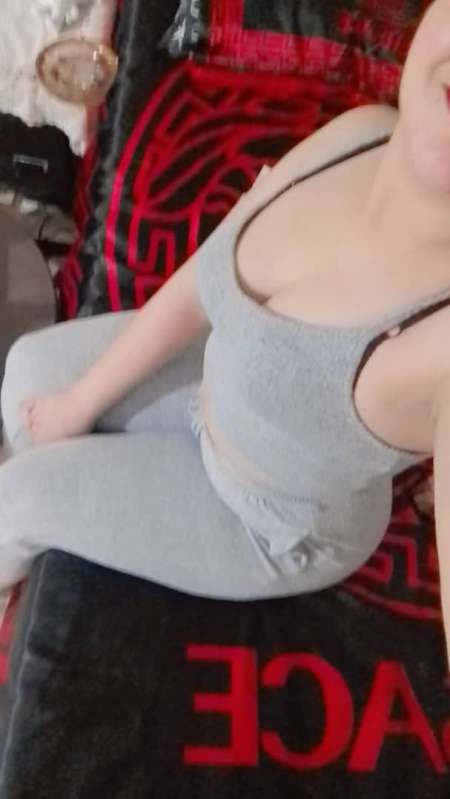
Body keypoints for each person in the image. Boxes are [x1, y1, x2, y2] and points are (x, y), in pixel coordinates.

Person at [1, 0, 450, 673]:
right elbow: (202, 281)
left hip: (264, 516)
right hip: (221, 377)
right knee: (28, 374)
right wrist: (79, 404)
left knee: (14, 501)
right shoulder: (364, 132)